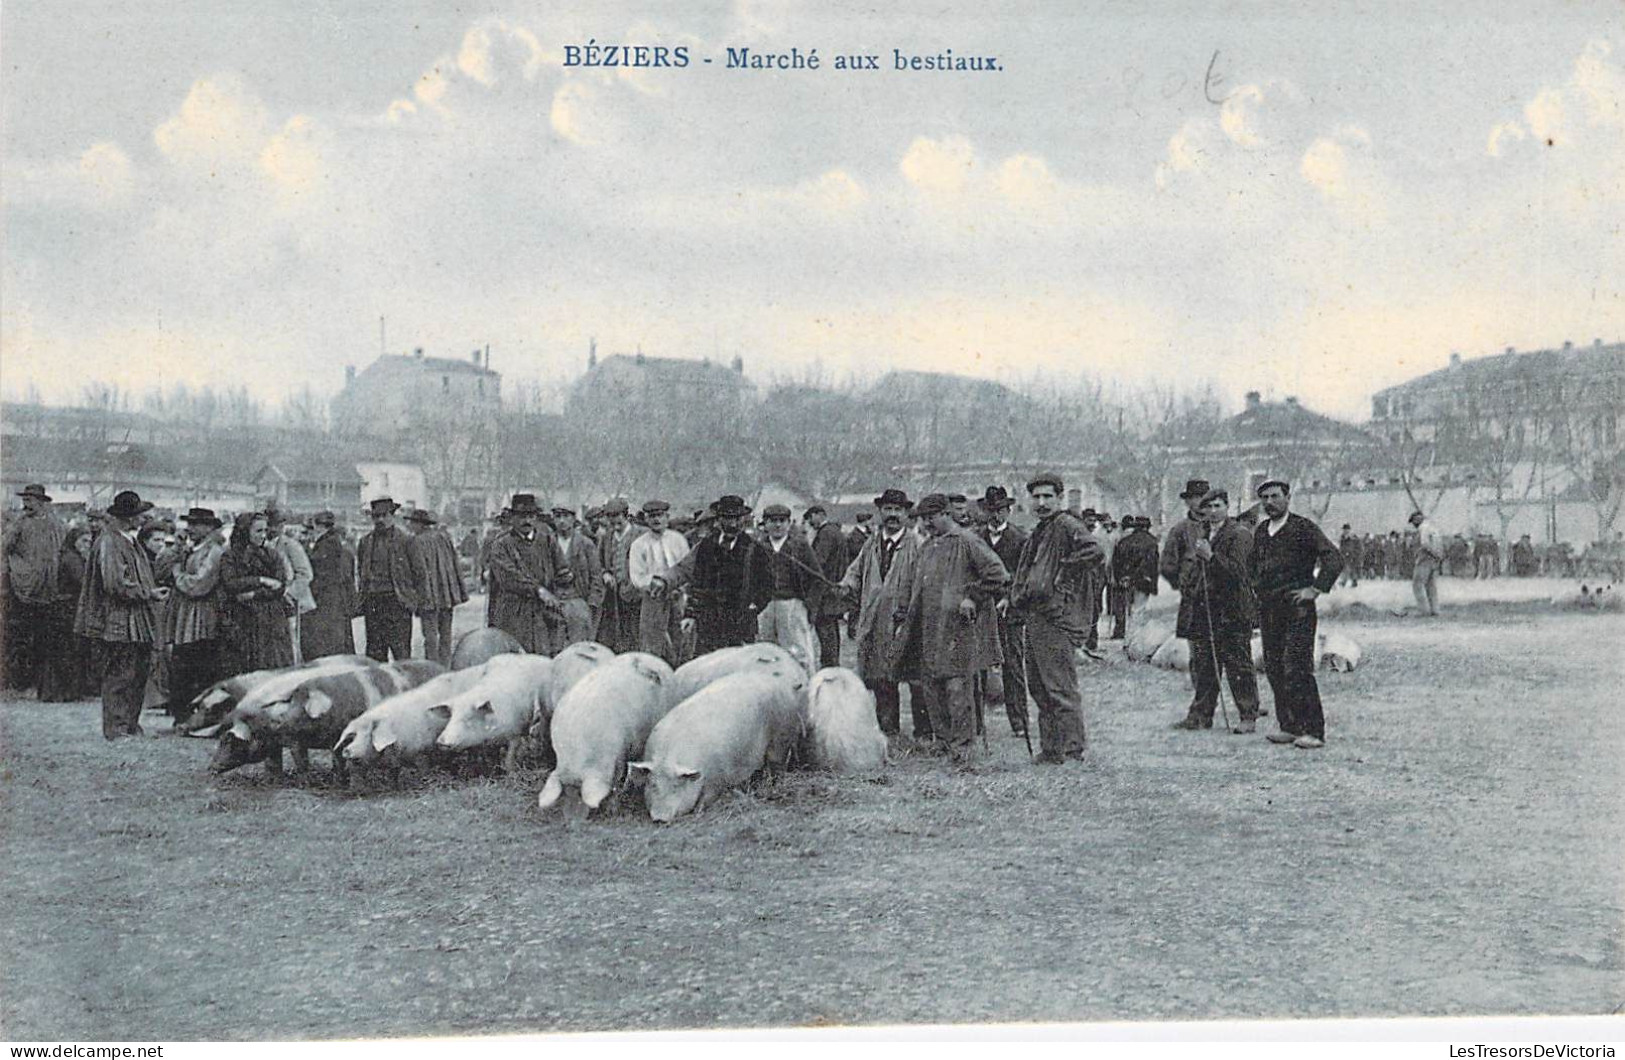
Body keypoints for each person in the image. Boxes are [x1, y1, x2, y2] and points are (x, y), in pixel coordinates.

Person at [889, 493, 1008, 763]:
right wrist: (903, 614)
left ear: (946, 514)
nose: (927, 524)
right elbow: (913, 585)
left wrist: (972, 597)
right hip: (928, 630)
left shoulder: (967, 541)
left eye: (931, 517)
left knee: (957, 689)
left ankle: (963, 745)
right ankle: (942, 741)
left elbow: (998, 575)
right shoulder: (927, 547)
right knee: (932, 688)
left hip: (958, 631)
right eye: (923, 519)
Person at [1011, 473, 1102, 764]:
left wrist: (1062, 575)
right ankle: (1051, 749)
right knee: (1039, 686)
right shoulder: (1041, 530)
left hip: (1055, 619)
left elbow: (1094, 551)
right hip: (1035, 617)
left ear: (1059, 498)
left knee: (1060, 687)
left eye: (1048, 496)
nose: (1041, 502)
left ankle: (1073, 750)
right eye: (1036, 497)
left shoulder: (1066, 525)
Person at [1249, 481, 1343, 750]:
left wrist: (1315, 589)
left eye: (1275, 496)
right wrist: (1257, 589)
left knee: (1297, 667)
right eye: (1265, 498)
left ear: (1288, 497)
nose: (1270, 502)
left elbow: (1333, 558)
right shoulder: (1261, 532)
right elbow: (1253, 565)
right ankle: (1289, 726)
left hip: (1297, 610)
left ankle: (1313, 730)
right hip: (1269, 609)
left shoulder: (1303, 528)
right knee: (1275, 666)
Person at [74, 490, 168, 739]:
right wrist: (148, 593)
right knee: (119, 675)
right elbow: (114, 584)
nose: (143, 518)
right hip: (116, 621)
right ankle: (116, 729)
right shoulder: (110, 542)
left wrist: (148, 592)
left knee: (137, 673)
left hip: (135, 621)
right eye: (139, 514)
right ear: (128, 518)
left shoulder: (128, 540)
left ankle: (129, 725)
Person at [1171, 488, 1262, 733]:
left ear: (1227, 507)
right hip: (1206, 610)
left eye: (1217, 506)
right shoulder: (1203, 533)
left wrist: (1211, 557)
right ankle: (1200, 715)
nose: (1212, 512)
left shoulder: (1239, 534)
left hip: (1233, 610)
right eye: (1208, 507)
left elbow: (1238, 573)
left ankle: (1248, 715)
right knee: (1205, 665)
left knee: (1238, 665)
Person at [839, 489, 927, 740]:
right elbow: (855, 571)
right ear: (880, 512)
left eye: (897, 510)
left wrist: (910, 613)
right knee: (881, 678)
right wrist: (846, 585)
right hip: (877, 623)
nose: (892, 515)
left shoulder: (917, 544)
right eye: (887, 509)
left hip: (906, 623)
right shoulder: (872, 543)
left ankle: (923, 731)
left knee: (915, 678)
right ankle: (888, 730)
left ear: (906, 513)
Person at [664, 495, 758, 655]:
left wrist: (754, 606)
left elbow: (766, 583)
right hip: (709, 620)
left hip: (740, 621)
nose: (732, 524)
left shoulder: (753, 547)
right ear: (718, 520)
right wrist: (664, 581)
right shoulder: (705, 546)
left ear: (743, 519)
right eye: (727, 519)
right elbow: (692, 577)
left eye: (736, 519)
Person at [487, 494, 571, 654]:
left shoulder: (547, 540)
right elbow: (509, 578)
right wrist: (538, 590)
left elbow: (562, 570)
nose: (526, 520)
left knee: (545, 660)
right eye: (521, 516)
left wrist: (562, 586)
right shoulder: (501, 545)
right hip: (512, 614)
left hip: (544, 615)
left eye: (531, 516)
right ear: (512, 518)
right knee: (515, 662)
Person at [976, 486, 1029, 737]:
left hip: (1010, 611)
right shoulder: (976, 539)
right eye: (991, 510)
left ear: (1008, 511)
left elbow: (1024, 575)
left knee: (1013, 666)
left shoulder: (1020, 539)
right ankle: (976, 722)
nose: (996, 515)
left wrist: (1010, 597)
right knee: (977, 665)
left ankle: (1019, 721)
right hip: (982, 609)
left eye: (1001, 510)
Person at [3, 483, 67, 693]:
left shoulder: (56, 525)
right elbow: (5, 547)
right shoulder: (19, 524)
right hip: (24, 588)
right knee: (23, 634)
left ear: (42, 502)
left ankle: (43, 681)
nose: (26, 504)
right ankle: (22, 680)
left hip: (49, 588)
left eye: (30, 501)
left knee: (45, 635)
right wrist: (18, 569)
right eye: (25, 500)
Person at [167, 508, 227, 722]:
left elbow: (200, 584)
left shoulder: (215, 552)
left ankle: (199, 718)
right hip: (187, 615)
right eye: (189, 524)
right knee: (184, 664)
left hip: (203, 616)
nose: (190, 529)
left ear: (209, 528)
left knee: (199, 664)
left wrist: (177, 574)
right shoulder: (191, 549)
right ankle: (182, 715)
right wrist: (176, 550)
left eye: (196, 524)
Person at [218, 512, 295, 675]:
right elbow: (231, 584)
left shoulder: (272, 555)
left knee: (274, 667)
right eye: (258, 531)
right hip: (243, 619)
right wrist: (261, 580)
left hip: (271, 619)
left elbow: (279, 587)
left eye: (265, 531)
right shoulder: (230, 556)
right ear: (245, 531)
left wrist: (253, 594)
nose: (263, 535)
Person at [748, 503, 822, 669]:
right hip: (765, 607)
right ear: (765, 524)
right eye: (772, 521)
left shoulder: (800, 546)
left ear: (789, 523)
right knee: (765, 654)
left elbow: (817, 578)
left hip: (792, 605)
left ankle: (803, 690)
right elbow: (750, 578)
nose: (778, 525)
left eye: (782, 520)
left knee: (798, 654)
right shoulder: (758, 547)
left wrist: (810, 606)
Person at [629, 500, 691, 665]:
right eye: (652, 516)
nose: (656, 520)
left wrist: (681, 589)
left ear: (667, 517)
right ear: (646, 519)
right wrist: (655, 584)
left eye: (660, 515)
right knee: (652, 643)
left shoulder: (678, 540)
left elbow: (687, 568)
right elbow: (637, 576)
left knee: (680, 641)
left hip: (678, 598)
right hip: (653, 598)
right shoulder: (639, 545)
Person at [355, 496, 417, 662]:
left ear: (393, 515)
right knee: (375, 653)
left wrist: (414, 601)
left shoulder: (406, 540)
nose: (380, 520)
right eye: (376, 516)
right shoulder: (365, 542)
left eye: (384, 515)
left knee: (401, 653)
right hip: (373, 602)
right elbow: (361, 571)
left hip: (397, 601)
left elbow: (419, 573)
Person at [406, 508, 468, 666]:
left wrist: (417, 596)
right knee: (446, 635)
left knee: (430, 637)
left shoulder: (416, 541)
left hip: (428, 595)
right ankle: (445, 666)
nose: (409, 526)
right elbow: (455, 563)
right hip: (447, 593)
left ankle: (432, 668)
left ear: (419, 524)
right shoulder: (444, 538)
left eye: (412, 523)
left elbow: (419, 571)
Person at [39, 527, 92, 702]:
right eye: (84, 541)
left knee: (65, 650)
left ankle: (60, 692)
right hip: (67, 609)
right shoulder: (72, 559)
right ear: (74, 541)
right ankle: (65, 692)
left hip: (65, 608)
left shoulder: (71, 556)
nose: (87, 545)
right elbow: (82, 582)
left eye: (89, 542)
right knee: (67, 650)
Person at [301, 511, 357, 660]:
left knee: (325, 646)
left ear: (317, 526)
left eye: (310, 529)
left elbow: (317, 575)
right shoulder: (338, 545)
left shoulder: (325, 545)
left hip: (325, 602)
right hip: (336, 602)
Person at [266, 509, 315, 664]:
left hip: (293, 602)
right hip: (272, 601)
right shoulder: (262, 545)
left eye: (274, 526)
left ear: (281, 526)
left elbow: (305, 574)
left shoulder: (291, 545)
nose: (271, 530)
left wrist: (289, 594)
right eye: (268, 526)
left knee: (292, 642)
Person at [804, 504, 850, 670]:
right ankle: (832, 662)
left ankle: (830, 664)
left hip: (825, 589)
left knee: (825, 628)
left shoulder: (826, 533)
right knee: (831, 628)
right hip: (834, 587)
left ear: (819, 515)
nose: (810, 523)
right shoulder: (835, 531)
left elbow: (818, 562)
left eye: (810, 518)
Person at [551, 506, 604, 650]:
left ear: (573, 518)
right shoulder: (548, 543)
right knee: (555, 647)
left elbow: (596, 576)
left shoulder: (586, 544)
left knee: (580, 648)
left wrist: (592, 604)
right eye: (558, 516)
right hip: (553, 603)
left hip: (579, 601)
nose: (562, 521)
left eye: (566, 516)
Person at [595, 498, 640, 652]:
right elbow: (598, 563)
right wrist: (605, 573)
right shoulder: (606, 538)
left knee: (636, 631)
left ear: (626, 515)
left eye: (616, 516)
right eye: (610, 517)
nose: (614, 521)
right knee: (616, 632)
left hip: (636, 593)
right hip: (613, 595)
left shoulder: (640, 534)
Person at [1109, 515, 1159, 637]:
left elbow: (1116, 562)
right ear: (1147, 527)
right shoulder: (1152, 542)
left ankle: (1120, 632)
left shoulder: (1124, 541)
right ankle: (1134, 637)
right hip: (1143, 580)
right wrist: (1152, 583)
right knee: (1138, 610)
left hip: (1124, 579)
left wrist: (1119, 577)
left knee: (1122, 608)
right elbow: (1152, 564)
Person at [1409, 511, 1442, 616]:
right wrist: (1438, 556)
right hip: (1434, 560)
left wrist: (1431, 553)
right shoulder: (1433, 527)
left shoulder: (1423, 528)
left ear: (1417, 519)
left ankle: (1423, 610)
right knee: (1431, 586)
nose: (1413, 524)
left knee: (1417, 585)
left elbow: (1425, 544)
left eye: (1413, 521)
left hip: (1424, 559)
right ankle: (1435, 609)